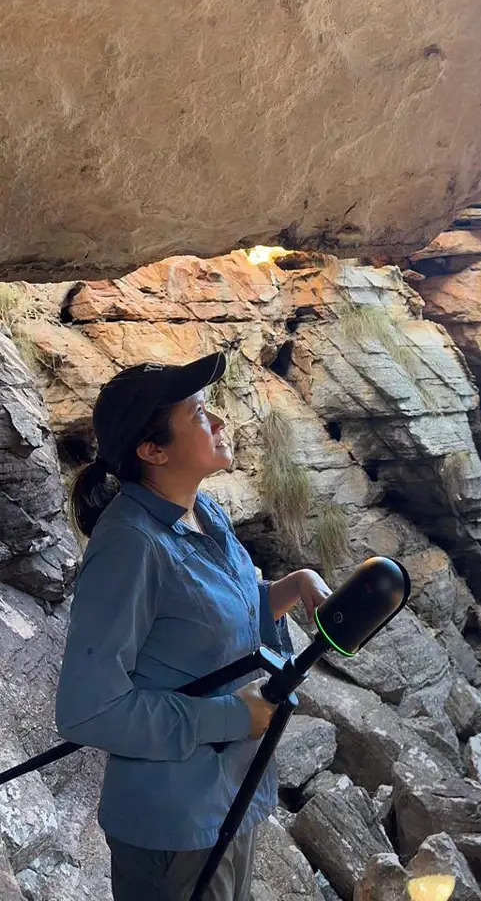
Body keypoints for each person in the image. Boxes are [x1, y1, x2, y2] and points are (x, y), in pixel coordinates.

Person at [54, 351, 333, 901]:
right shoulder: (129, 546)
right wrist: (233, 715)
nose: (221, 421)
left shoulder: (202, 512)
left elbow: (210, 619)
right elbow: (89, 710)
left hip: (230, 795)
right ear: (152, 450)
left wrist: (292, 586)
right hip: (173, 824)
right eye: (201, 414)